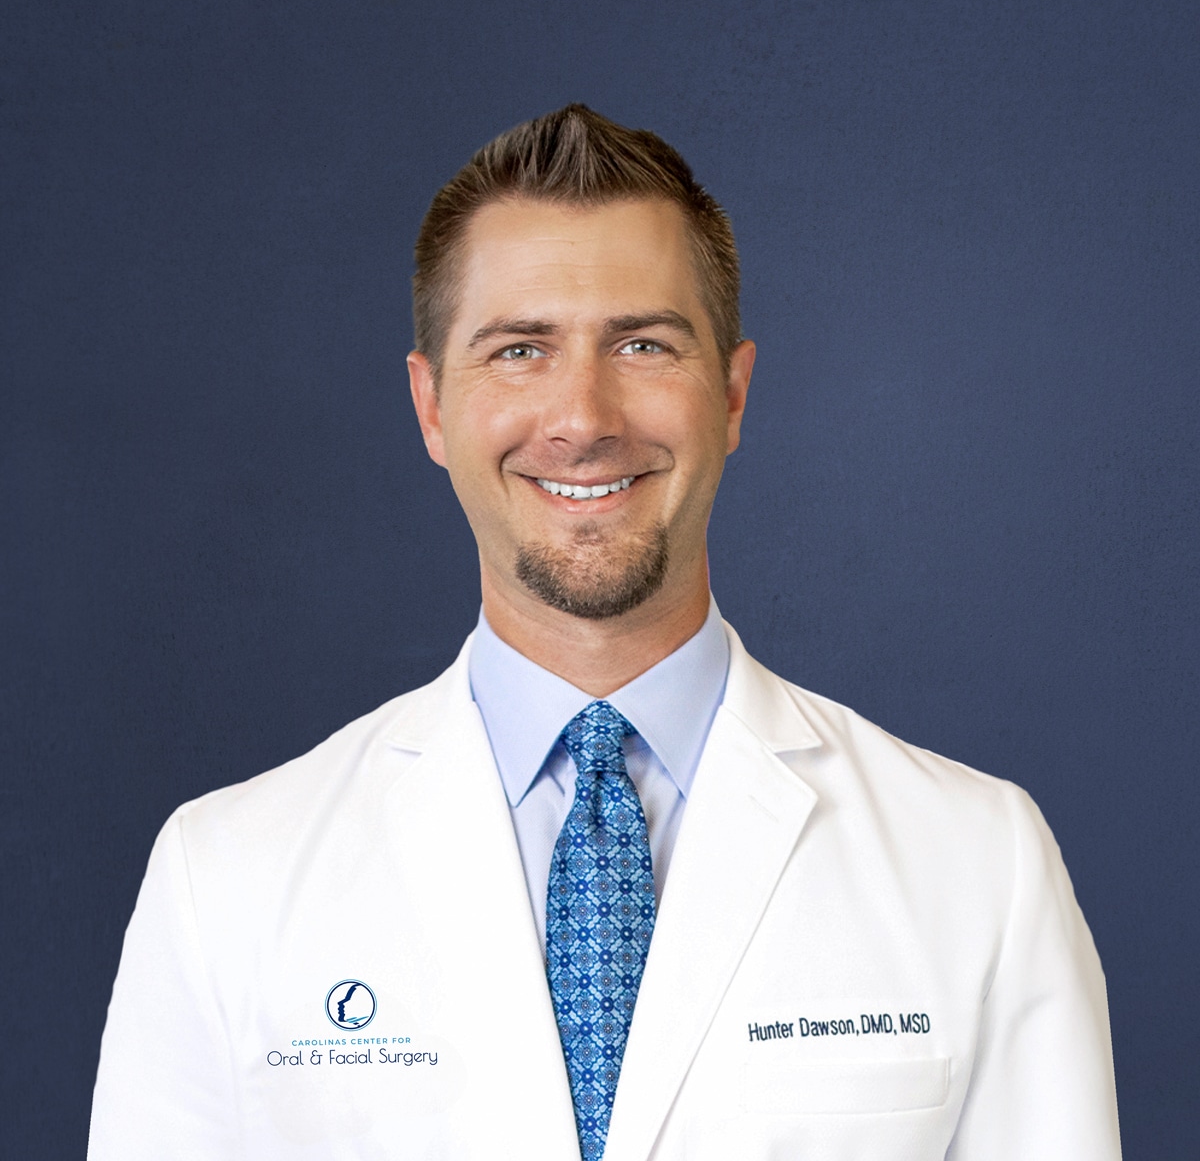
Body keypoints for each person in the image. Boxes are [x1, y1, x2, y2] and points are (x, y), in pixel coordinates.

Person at [89, 104, 1121, 1160]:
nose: (583, 418)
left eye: (643, 343)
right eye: (519, 350)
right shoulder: (223, 882)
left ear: (730, 393)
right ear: (432, 407)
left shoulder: (978, 865)